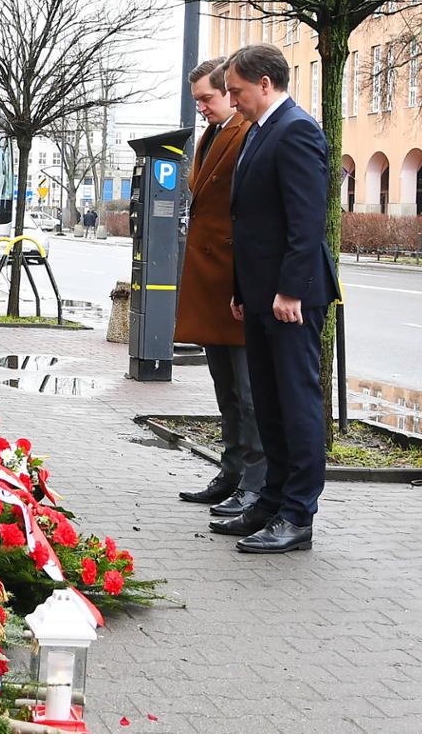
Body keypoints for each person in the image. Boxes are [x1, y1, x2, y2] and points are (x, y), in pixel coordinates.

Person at [210, 43, 341, 555]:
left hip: (293, 298)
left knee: (296, 403)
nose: (233, 100)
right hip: (263, 296)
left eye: (238, 91)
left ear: (265, 83)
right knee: (269, 403)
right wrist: (244, 291)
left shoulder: (298, 130)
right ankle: (271, 500)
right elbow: (253, 223)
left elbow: (306, 221)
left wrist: (290, 290)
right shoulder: (261, 131)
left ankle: (297, 514)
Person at [175, 58, 269, 517]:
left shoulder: (248, 131)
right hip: (211, 284)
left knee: (250, 392)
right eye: (197, 102)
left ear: (229, 93)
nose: (203, 109)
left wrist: (244, 285)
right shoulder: (212, 135)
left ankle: (255, 483)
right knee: (225, 387)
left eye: (208, 99)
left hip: (235, 284)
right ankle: (231, 472)